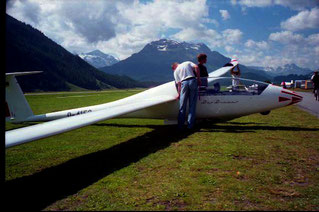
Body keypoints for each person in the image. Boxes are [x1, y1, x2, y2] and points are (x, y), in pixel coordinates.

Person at [172, 61, 201, 130]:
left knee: (182, 106)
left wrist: (179, 94)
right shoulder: (187, 62)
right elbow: (196, 67)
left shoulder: (175, 71)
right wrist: (198, 79)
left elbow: (179, 84)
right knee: (192, 105)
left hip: (183, 83)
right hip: (192, 80)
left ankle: (180, 125)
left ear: (174, 67)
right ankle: (190, 125)